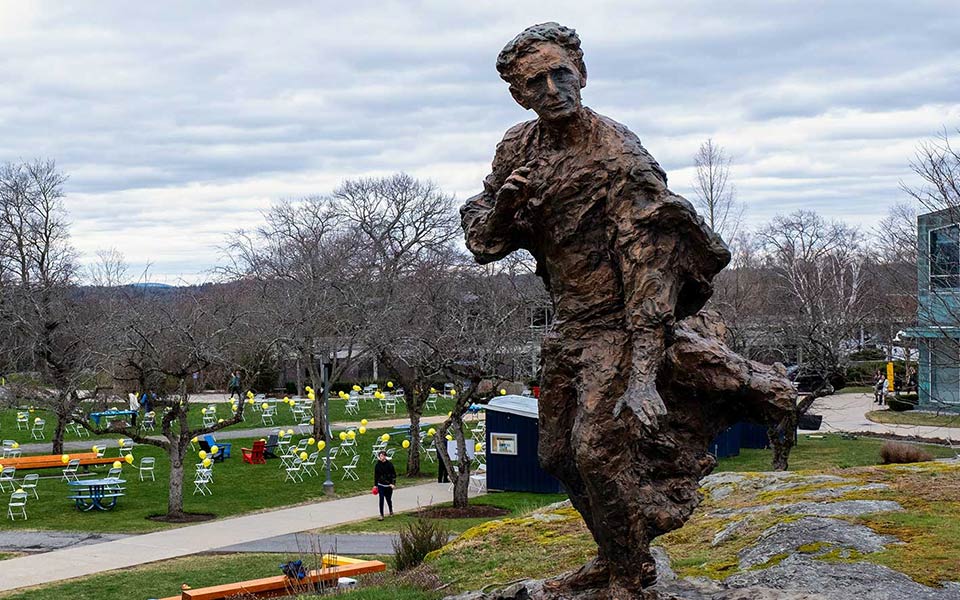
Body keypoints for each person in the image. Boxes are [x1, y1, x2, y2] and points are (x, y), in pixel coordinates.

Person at [460, 22, 729, 592]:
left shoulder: (616, 153)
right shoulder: (517, 147)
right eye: (537, 82)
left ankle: (631, 574)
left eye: (563, 74)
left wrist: (641, 375)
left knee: (598, 453)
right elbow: (484, 243)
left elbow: (649, 261)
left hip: (621, 325)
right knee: (557, 455)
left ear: (582, 73)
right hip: (568, 327)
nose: (553, 88)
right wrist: (507, 206)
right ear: (518, 94)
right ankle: (614, 554)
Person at [373, 450, 396, 520]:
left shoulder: (389, 464)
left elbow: (393, 475)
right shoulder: (377, 465)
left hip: (388, 485)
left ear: (385, 456)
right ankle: (381, 515)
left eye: (383, 456)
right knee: (381, 499)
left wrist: (393, 483)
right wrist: (375, 485)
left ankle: (391, 510)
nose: (381, 457)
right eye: (380, 456)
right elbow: (376, 475)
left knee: (388, 499)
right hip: (381, 485)